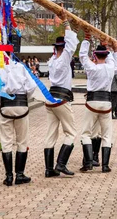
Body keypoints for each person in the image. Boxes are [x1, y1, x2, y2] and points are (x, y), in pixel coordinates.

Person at [79, 34, 117, 173]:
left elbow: (82, 56)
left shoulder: (91, 67)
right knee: (106, 134)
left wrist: (86, 39)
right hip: (106, 102)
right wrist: (114, 49)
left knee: (86, 133)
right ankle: (105, 165)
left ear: (95, 56)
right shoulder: (110, 67)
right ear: (106, 56)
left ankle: (88, 163)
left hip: (92, 101)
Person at [44, 17, 79, 178]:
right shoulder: (64, 58)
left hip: (50, 99)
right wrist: (66, 24)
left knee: (51, 133)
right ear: (63, 48)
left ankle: (49, 169)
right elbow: (71, 45)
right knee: (71, 132)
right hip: (61, 99)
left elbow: (70, 44)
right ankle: (60, 164)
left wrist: (72, 28)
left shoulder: (52, 60)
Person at [0, 57, 37, 186]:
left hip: (5, 105)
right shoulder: (21, 67)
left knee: (6, 141)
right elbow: (32, 86)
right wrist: (25, 98)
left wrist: (1, 102)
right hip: (21, 105)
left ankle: (9, 176)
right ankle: (19, 174)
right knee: (22, 141)